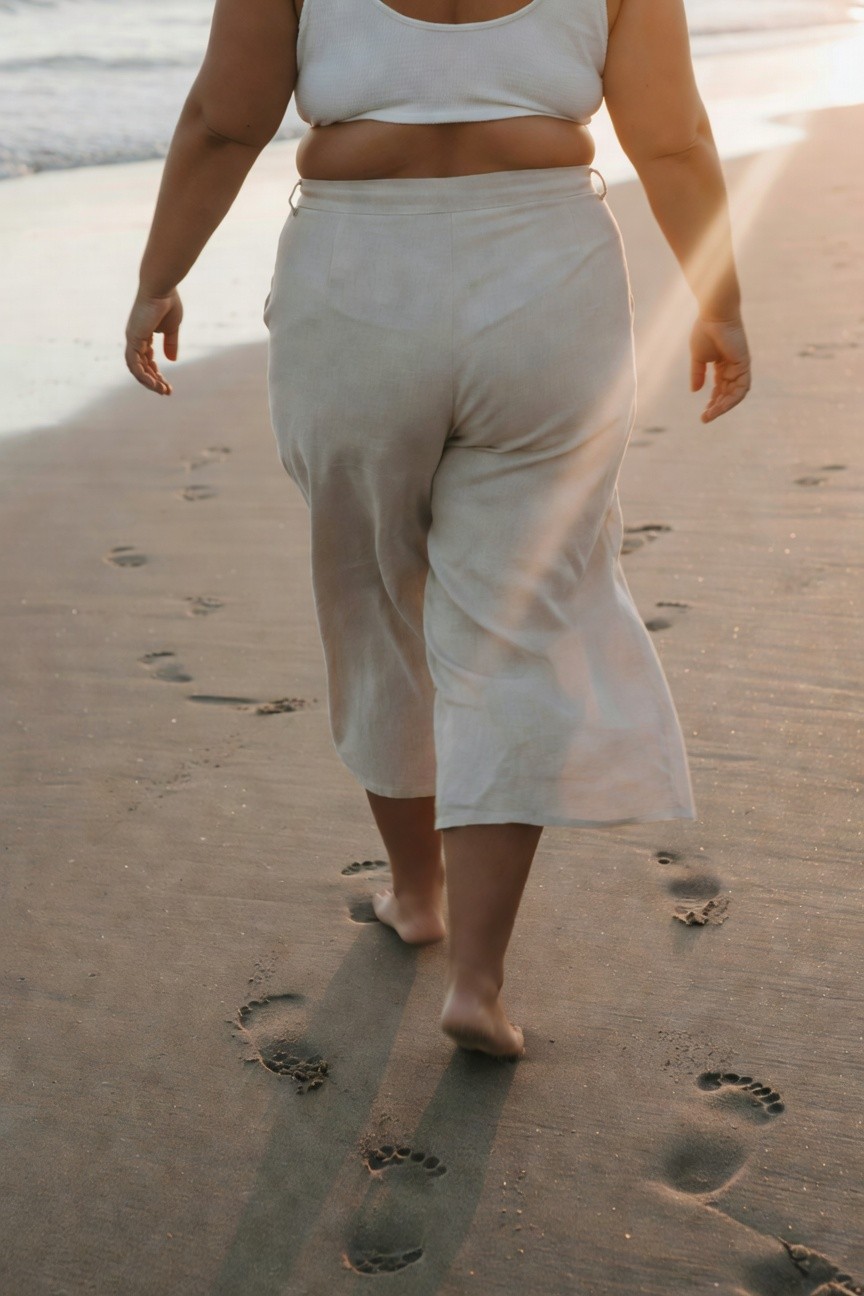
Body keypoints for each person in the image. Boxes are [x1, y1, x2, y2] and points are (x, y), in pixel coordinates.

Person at [125, 0, 751, 1060]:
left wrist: (157, 279)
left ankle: (418, 895)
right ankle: (478, 983)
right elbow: (673, 133)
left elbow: (223, 124)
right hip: (547, 278)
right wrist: (719, 295)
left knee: (373, 598)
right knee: (519, 617)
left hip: (356, 276)